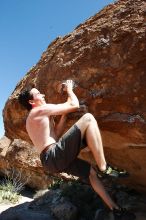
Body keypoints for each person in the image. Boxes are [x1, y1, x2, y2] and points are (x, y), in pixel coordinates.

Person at [18, 80, 135, 219]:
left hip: (50, 159)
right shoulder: (38, 110)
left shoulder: (36, 117)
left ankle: (116, 210)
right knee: (88, 118)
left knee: (91, 173)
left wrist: (64, 115)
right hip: (53, 155)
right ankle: (104, 168)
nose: (42, 94)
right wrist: (69, 90)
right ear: (32, 102)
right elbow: (74, 105)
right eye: (38, 94)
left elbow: (55, 134)